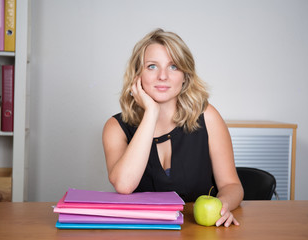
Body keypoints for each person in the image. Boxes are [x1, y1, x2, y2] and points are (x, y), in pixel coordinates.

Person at [102, 28, 243, 227]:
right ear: (137, 75)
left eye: (174, 67)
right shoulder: (115, 127)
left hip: (199, 231)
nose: (163, 76)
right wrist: (151, 112)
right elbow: (124, 185)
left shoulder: (207, 116)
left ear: (185, 76)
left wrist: (223, 206)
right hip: (141, 231)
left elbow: (232, 185)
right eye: (152, 66)